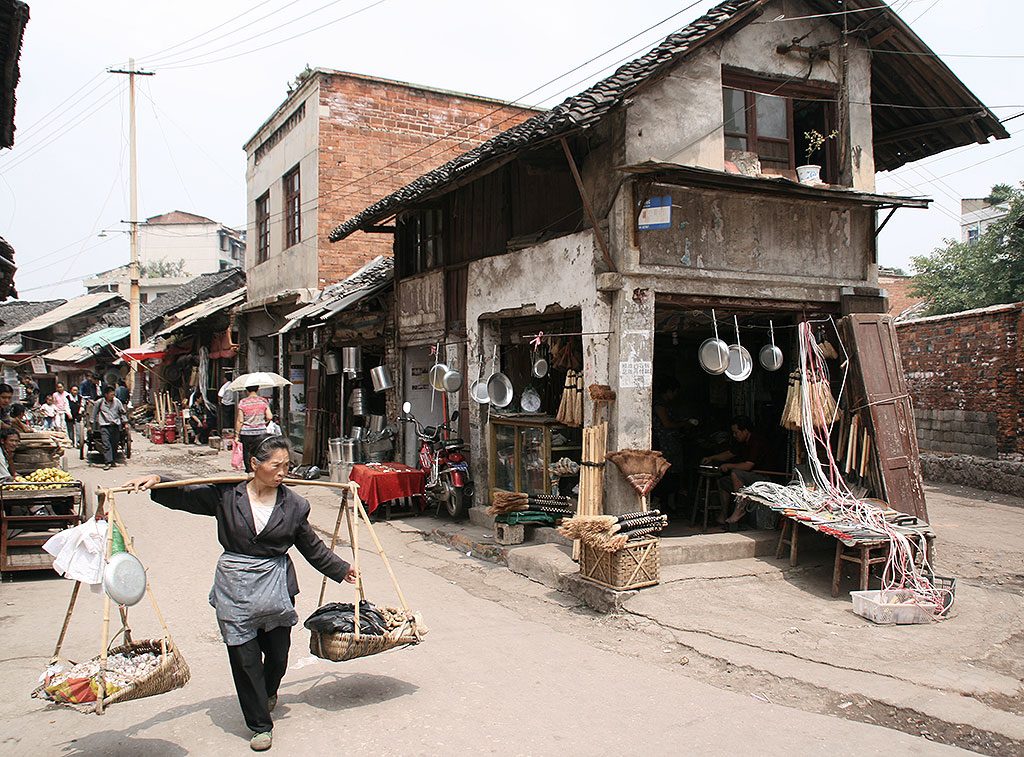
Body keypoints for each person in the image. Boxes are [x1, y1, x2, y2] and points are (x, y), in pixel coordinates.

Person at [124, 436, 358, 752]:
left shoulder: (295, 505)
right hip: (235, 586)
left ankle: (268, 689)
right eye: (276, 466)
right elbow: (188, 496)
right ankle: (259, 723)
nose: (282, 473)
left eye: (286, 466)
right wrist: (158, 482)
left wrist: (342, 569)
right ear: (254, 464)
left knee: (277, 654)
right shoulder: (226, 495)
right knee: (244, 656)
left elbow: (312, 547)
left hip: (275, 586)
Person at [702, 415, 770, 530]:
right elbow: (730, 453)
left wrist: (728, 466)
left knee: (735, 473)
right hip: (751, 476)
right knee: (723, 482)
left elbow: (748, 465)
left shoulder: (756, 441)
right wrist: (712, 458)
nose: (734, 435)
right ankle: (724, 514)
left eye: (736, 432)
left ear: (745, 431)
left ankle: (740, 509)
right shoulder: (742, 442)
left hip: (763, 477)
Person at [236, 386, 272, 473]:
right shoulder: (263, 401)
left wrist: (237, 435)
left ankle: (249, 470)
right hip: (261, 431)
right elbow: (269, 417)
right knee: (259, 450)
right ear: (258, 389)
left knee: (247, 452)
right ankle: (259, 469)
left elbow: (240, 421)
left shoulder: (243, 402)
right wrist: (263, 423)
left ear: (246, 391)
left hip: (246, 432)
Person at [91, 385, 128, 470]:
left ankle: (112, 460)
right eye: (111, 394)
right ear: (106, 395)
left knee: (114, 444)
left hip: (115, 425)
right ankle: (108, 462)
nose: (113, 396)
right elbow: (94, 414)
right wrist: (91, 425)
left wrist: (125, 423)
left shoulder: (117, 402)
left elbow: (122, 412)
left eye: (113, 394)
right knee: (106, 444)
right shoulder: (99, 402)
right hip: (104, 426)